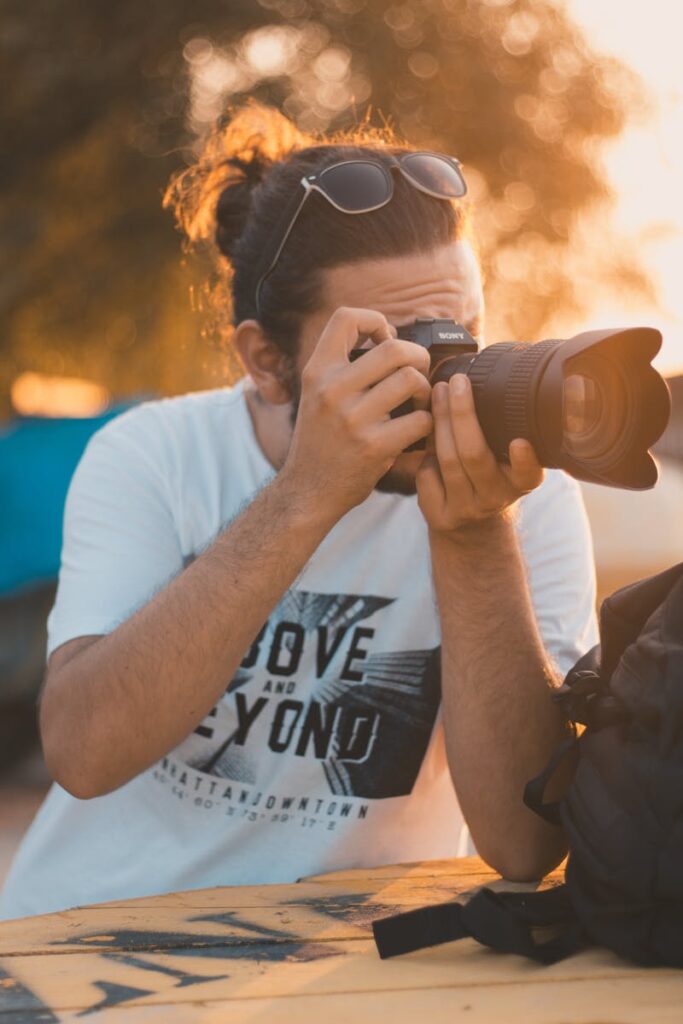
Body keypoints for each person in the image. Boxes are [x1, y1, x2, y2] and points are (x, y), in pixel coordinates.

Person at [0, 103, 597, 920]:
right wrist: (306, 496)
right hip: (94, 934)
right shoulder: (157, 453)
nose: (438, 370)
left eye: (461, 330)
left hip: (348, 963)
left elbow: (527, 846)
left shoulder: (527, 500)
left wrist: (474, 538)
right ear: (266, 361)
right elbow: (84, 753)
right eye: (387, 343)